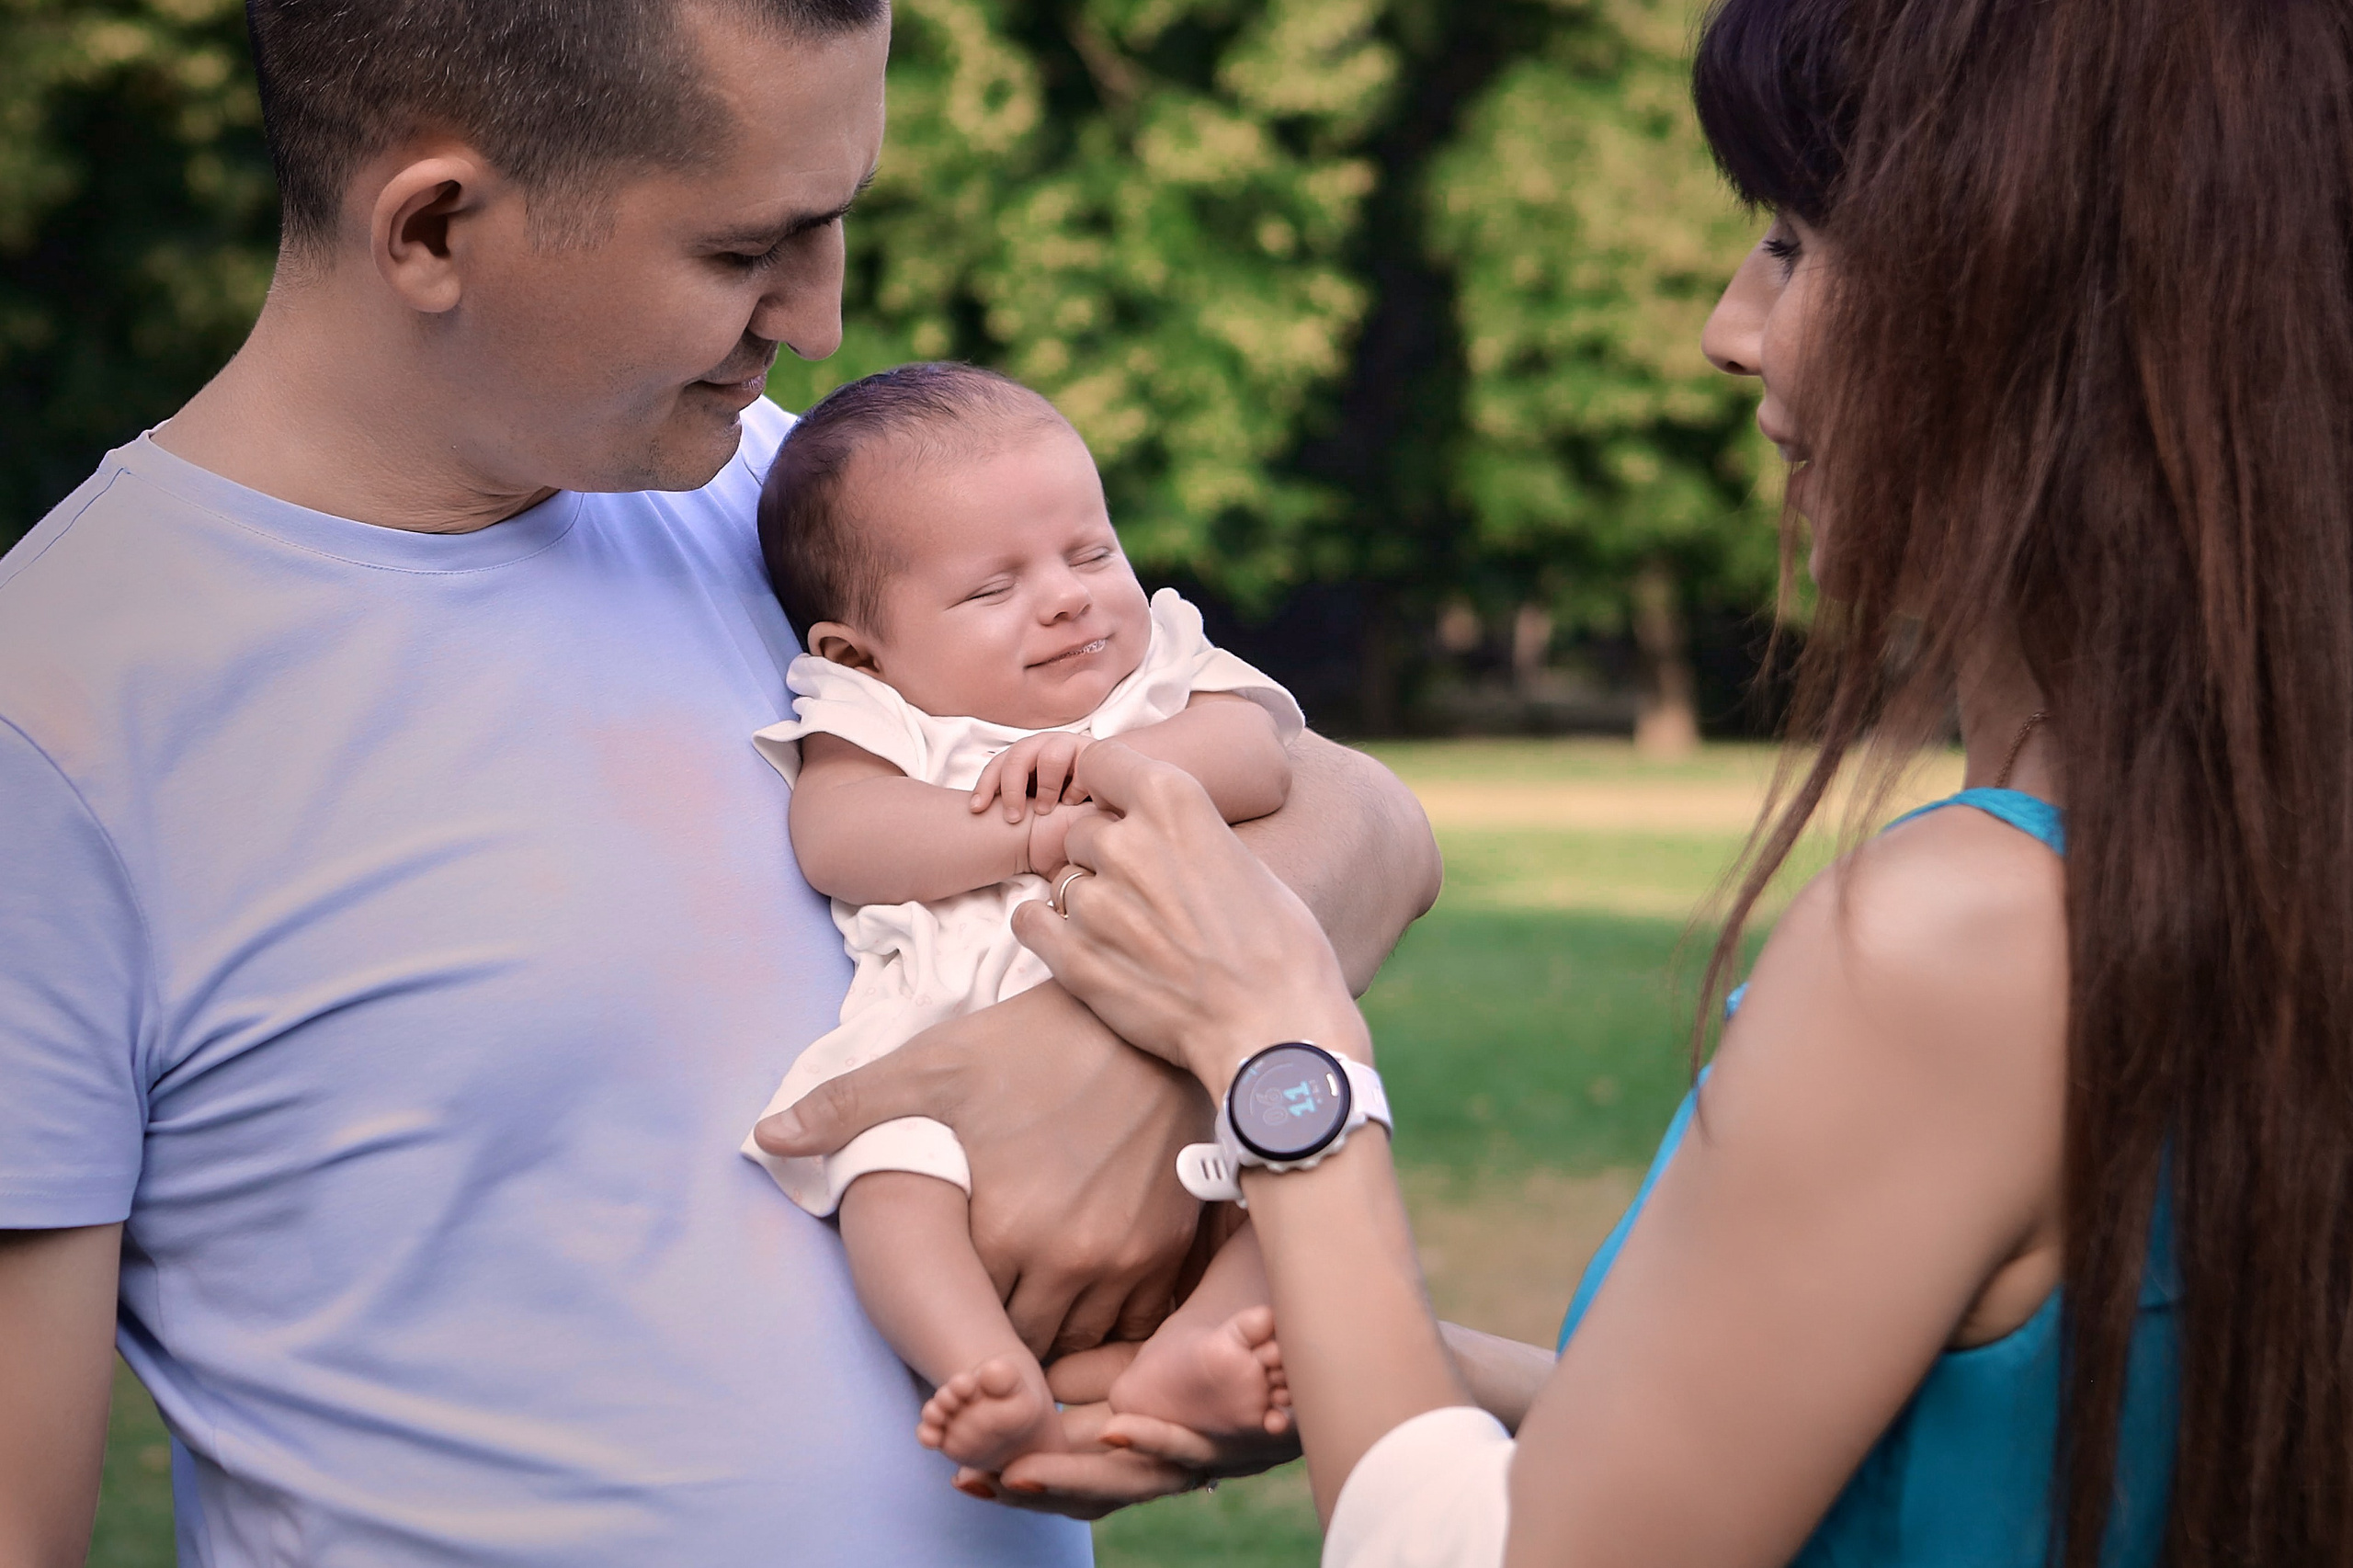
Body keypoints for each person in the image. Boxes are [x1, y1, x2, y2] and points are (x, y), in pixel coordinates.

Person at [766, 0, 2353, 1559]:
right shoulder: (2241, 868)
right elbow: (1818, 1464)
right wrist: (1370, 1356)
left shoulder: (1962, 939)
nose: (1729, 326)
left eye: (1792, 243)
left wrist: (1278, 1054)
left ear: (2033, 311)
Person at [0, 2, 1441, 1563]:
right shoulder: (58, 725)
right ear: (432, 229)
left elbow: (1367, 820)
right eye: (748, 248)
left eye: (835, 220)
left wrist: (1114, 1058)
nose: (819, 319)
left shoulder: (779, 505)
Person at [740, 361, 1299, 1470]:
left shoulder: (1157, 675)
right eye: (993, 588)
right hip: (945, 1040)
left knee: (1297, 1168)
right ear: (858, 650)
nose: (1067, 596)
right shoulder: (876, 714)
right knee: (889, 1174)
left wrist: (1102, 764)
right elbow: (837, 834)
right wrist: (1032, 834)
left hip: (1184, 1028)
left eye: (1090, 552)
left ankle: (1201, 1345)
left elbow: (1257, 757)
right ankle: (982, 1369)